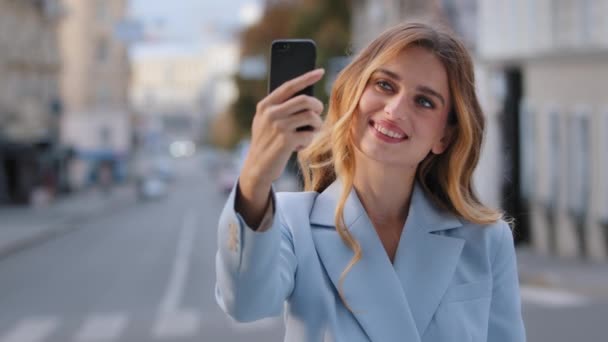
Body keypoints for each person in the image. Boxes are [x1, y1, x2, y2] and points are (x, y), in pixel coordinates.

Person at [215, 22, 526, 342]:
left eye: (425, 102)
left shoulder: (486, 240)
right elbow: (245, 303)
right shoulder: (294, 223)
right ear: (354, 93)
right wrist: (256, 176)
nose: (395, 110)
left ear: (443, 136)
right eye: (385, 85)